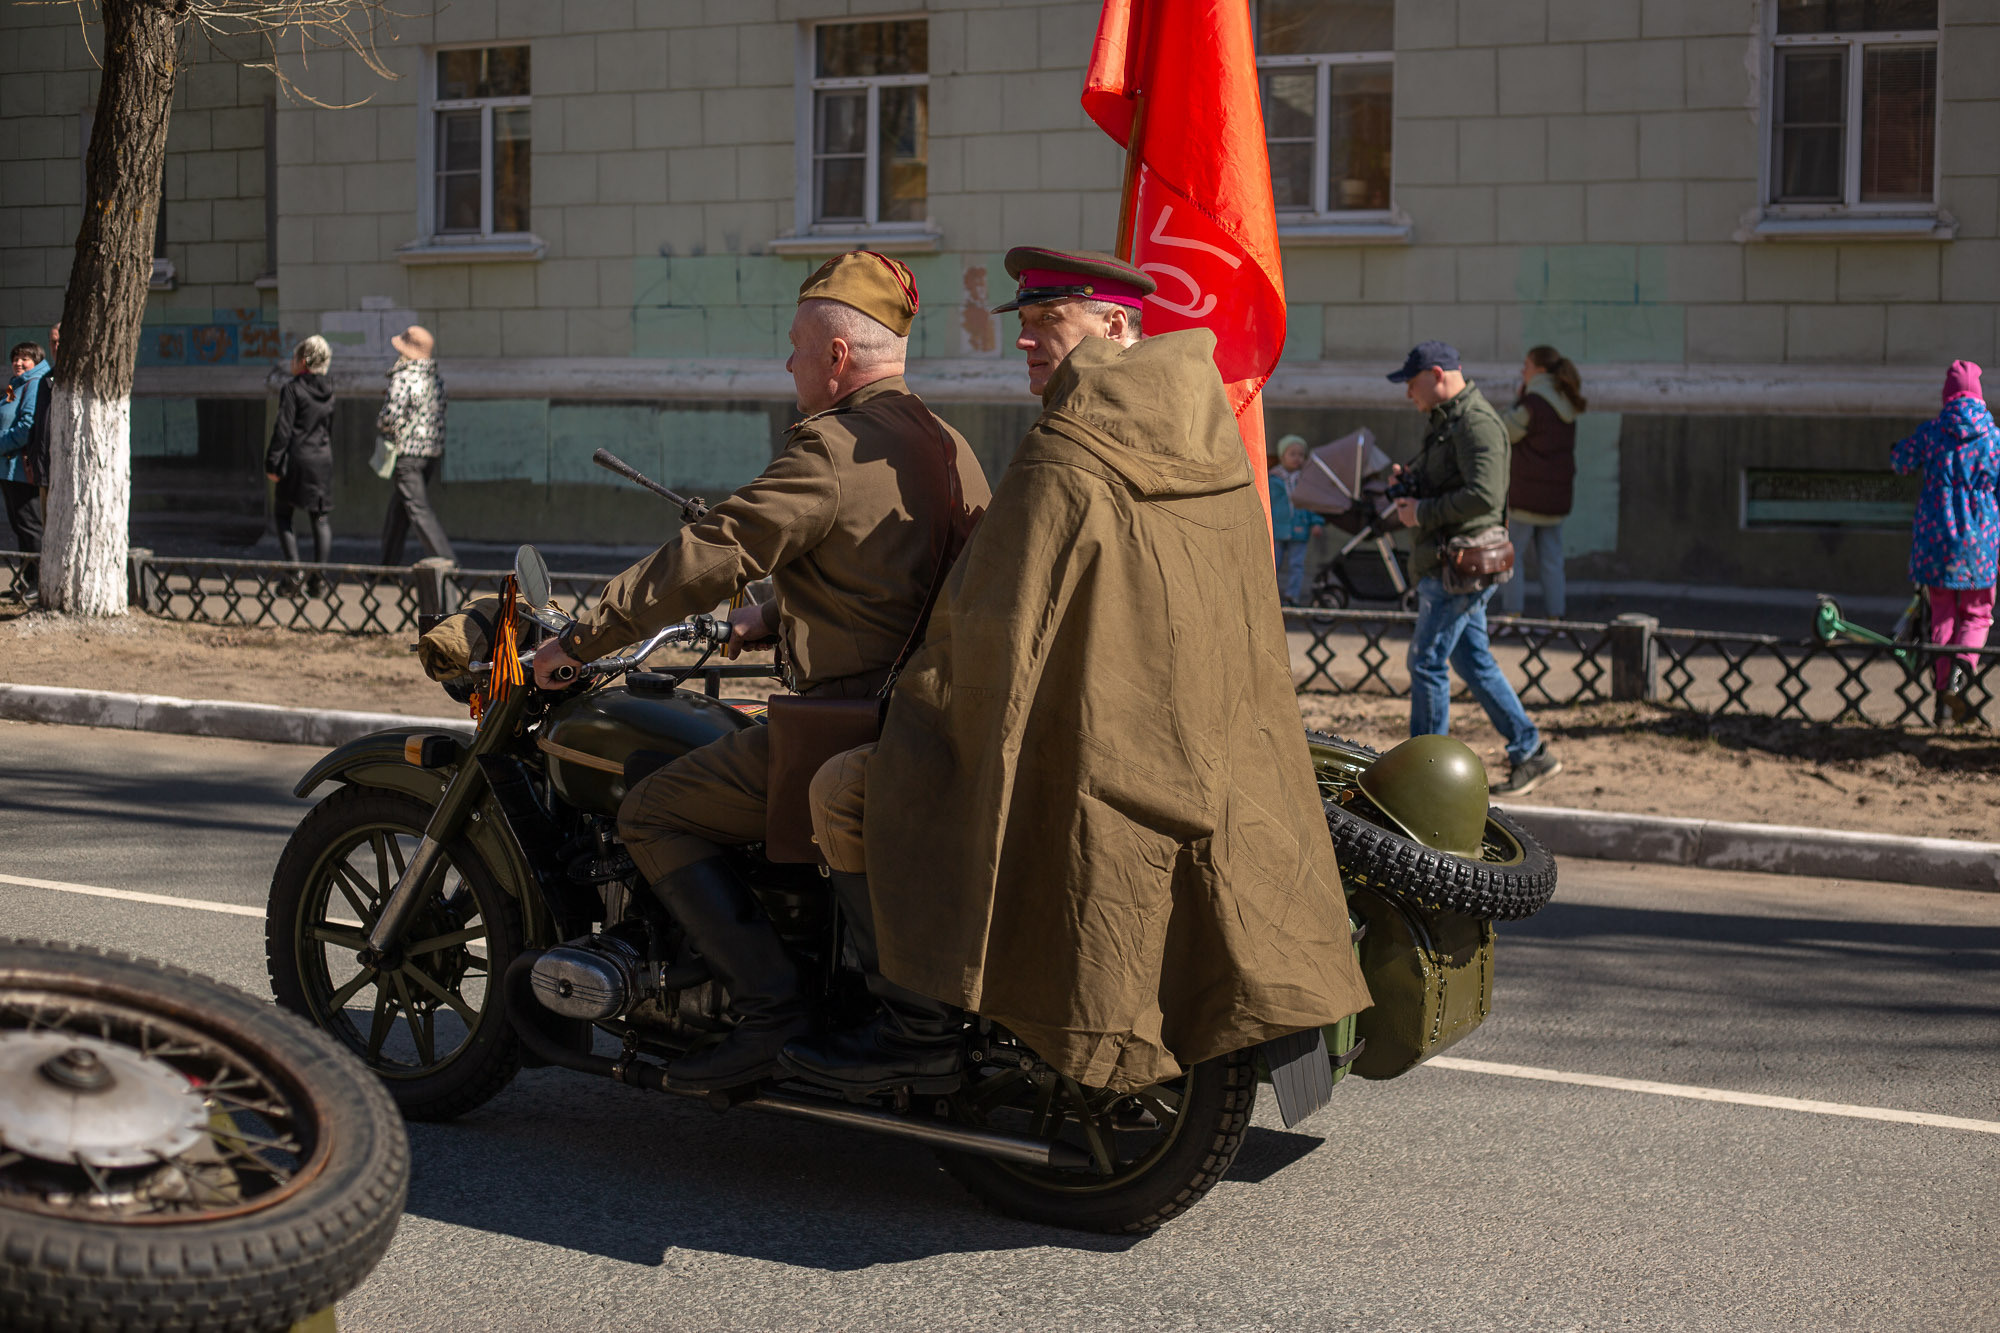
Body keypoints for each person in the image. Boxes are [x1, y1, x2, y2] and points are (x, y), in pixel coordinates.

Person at [779, 248, 1372, 1097]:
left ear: (1115, 325)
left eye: (1045, 323)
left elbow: (996, 628)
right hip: (1213, 748)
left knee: (843, 789)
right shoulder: (1212, 435)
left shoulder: (1067, 447)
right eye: (1022, 324)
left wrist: (921, 699)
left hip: (1091, 757)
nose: (1024, 341)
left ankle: (914, 1030)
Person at [530, 252, 991, 1093]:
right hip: (926, 714)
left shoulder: (831, 448)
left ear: (837, 357)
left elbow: (713, 553)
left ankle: (770, 1009)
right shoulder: (948, 443)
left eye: (795, 348)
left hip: (846, 725)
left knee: (652, 809)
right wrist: (774, 614)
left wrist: (581, 640)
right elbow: (899, 572)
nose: (788, 364)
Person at [1385, 340, 1559, 797]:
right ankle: (1531, 751)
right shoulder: (1449, 420)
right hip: (1448, 561)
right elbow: (1455, 481)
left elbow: (1484, 496)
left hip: (1459, 567)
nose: (1408, 393)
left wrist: (1421, 512)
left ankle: (1425, 776)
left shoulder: (1476, 423)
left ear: (1436, 375)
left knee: (1426, 661)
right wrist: (1412, 484)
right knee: (1472, 661)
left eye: (1411, 382)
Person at [1892, 359, 1999, 726]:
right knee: (1976, 612)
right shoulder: (1994, 439)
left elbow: (1901, 461)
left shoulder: (1932, 433)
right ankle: (1961, 670)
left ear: (1947, 395)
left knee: (1942, 613)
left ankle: (1941, 694)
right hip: (1980, 546)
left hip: (1936, 544)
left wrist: (1897, 450)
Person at [1498, 345, 1585, 619]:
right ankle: (1555, 619)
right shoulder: (1566, 402)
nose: (1522, 371)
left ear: (1540, 370)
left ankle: (1513, 615)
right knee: (1552, 560)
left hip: (1526, 497)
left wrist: (1516, 400)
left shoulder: (1532, 404)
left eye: (1526, 365)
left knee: (1512, 557)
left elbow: (1503, 431)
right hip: (1556, 497)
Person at [376, 325, 455, 566]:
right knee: (400, 510)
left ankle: (450, 566)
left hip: (407, 455)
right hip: (430, 454)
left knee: (419, 511)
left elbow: (390, 417)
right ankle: (386, 568)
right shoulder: (437, 380)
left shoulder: (404, 377)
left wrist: (382, 424)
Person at [266, 336, 338, 580]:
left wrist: (272, 463)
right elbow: (329, 427)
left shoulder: (292, 388)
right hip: (322, 459)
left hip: (296, 459)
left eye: (294, 357)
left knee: (283, 514)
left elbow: (283, 429)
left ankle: (294, 573)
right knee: (321, 519)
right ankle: (319, 580)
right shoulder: (330, 389)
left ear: (303, 360)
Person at [0, 340, 49, 595]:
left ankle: (40, 582)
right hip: (7, 468)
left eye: (25, 359)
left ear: (36, 361)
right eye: (15, 358)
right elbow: (5, 411)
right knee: (19, 525)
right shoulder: (14, 384)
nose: (18, 363)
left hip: (21, 469)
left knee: (30, 526)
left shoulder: (34, 383)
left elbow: (27, 426)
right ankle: (26, 580)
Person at [1269, 433, 1322, 604]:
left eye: (1301, 455)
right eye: (1292, 454)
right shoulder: (1272, 479)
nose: (1297, 458)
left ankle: (1293, 595)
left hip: (1300, 528)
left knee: (1296, 565)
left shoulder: (1306, 480)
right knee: (1272, 564)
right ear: (1282, 456)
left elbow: (1312, 503)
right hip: (1277, 529)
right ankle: (1270, 597)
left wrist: (1316, 522)